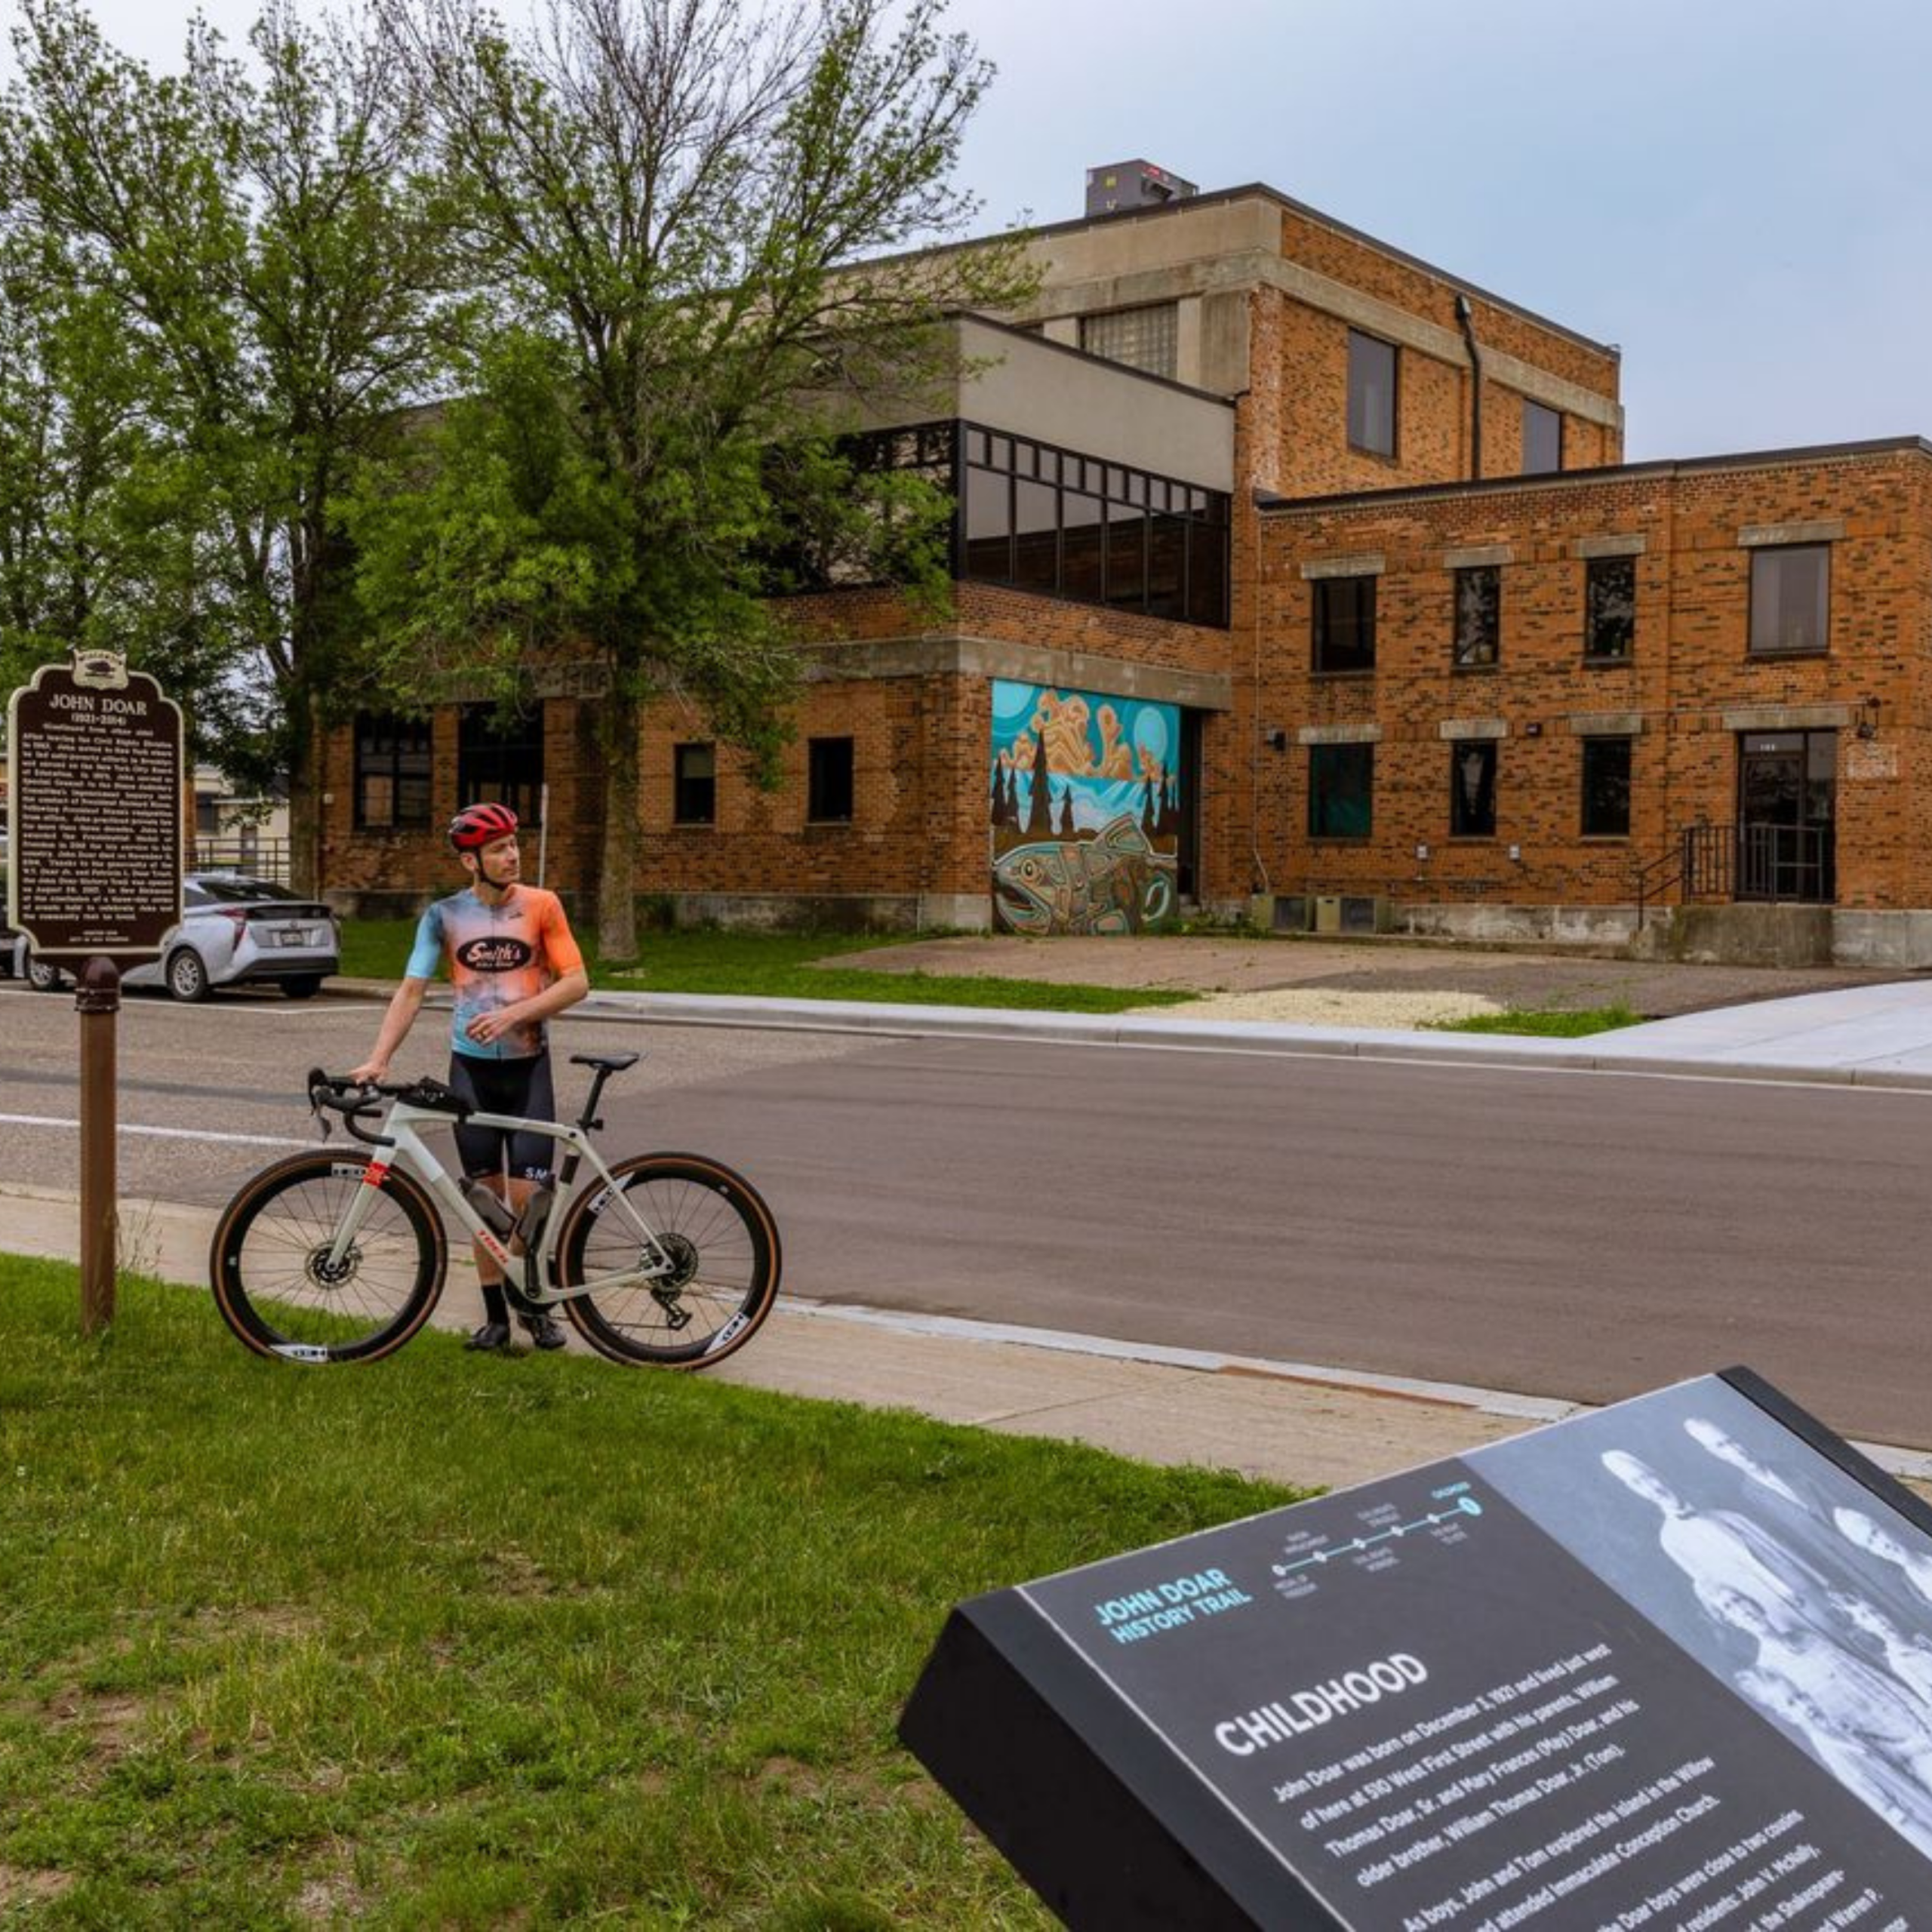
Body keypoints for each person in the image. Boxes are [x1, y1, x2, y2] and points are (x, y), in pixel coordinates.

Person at [350, 801, 589, 1352]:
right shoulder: (442, 916)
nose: (512, 856)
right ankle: (496, 1318)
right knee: (481, 1200)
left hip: (528, 1069)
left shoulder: (543, 906)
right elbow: (412, 989)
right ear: (470, 861)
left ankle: (534, 1307)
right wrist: (379, 1058)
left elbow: (576, 982)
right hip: (471, 1073)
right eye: (499, 849)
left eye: (514, 845)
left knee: (530, 1201)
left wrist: (514, 1014)